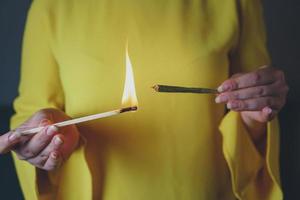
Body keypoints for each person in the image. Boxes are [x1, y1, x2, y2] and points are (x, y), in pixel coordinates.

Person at [0, 0, 288, 199]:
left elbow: (255, 105)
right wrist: (45, 138)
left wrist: (255, 111)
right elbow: (29, 112)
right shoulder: (52, 6)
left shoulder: (235, 3)